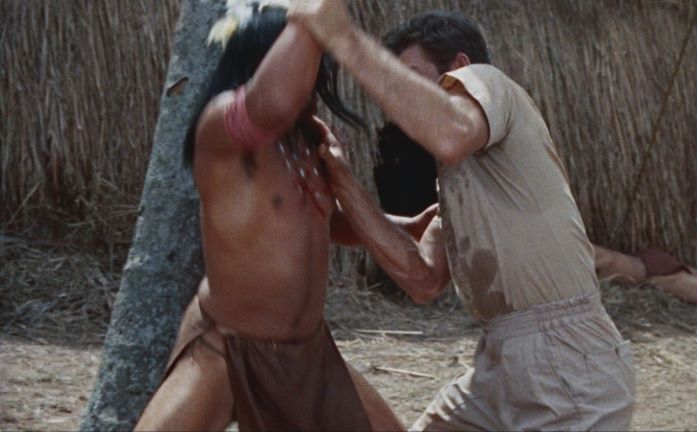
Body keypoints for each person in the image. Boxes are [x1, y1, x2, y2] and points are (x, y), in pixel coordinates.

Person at [291, 2, 636, 430]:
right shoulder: (458, 186)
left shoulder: (487, 81)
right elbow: (422, 280)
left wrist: (344, 39)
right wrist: (340, 181)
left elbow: (451, 134)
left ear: (458, 66)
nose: (398, 99)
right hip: (499, 361)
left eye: (411, 75)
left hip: (568, 361)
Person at [133, 3, 417, 430]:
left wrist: (410, 226)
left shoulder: (306, 138)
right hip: (226, 349)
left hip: (309, 354)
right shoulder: (221, 126)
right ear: (264, 58)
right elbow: (273, 101)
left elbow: (321, 223)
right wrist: (313, 14)